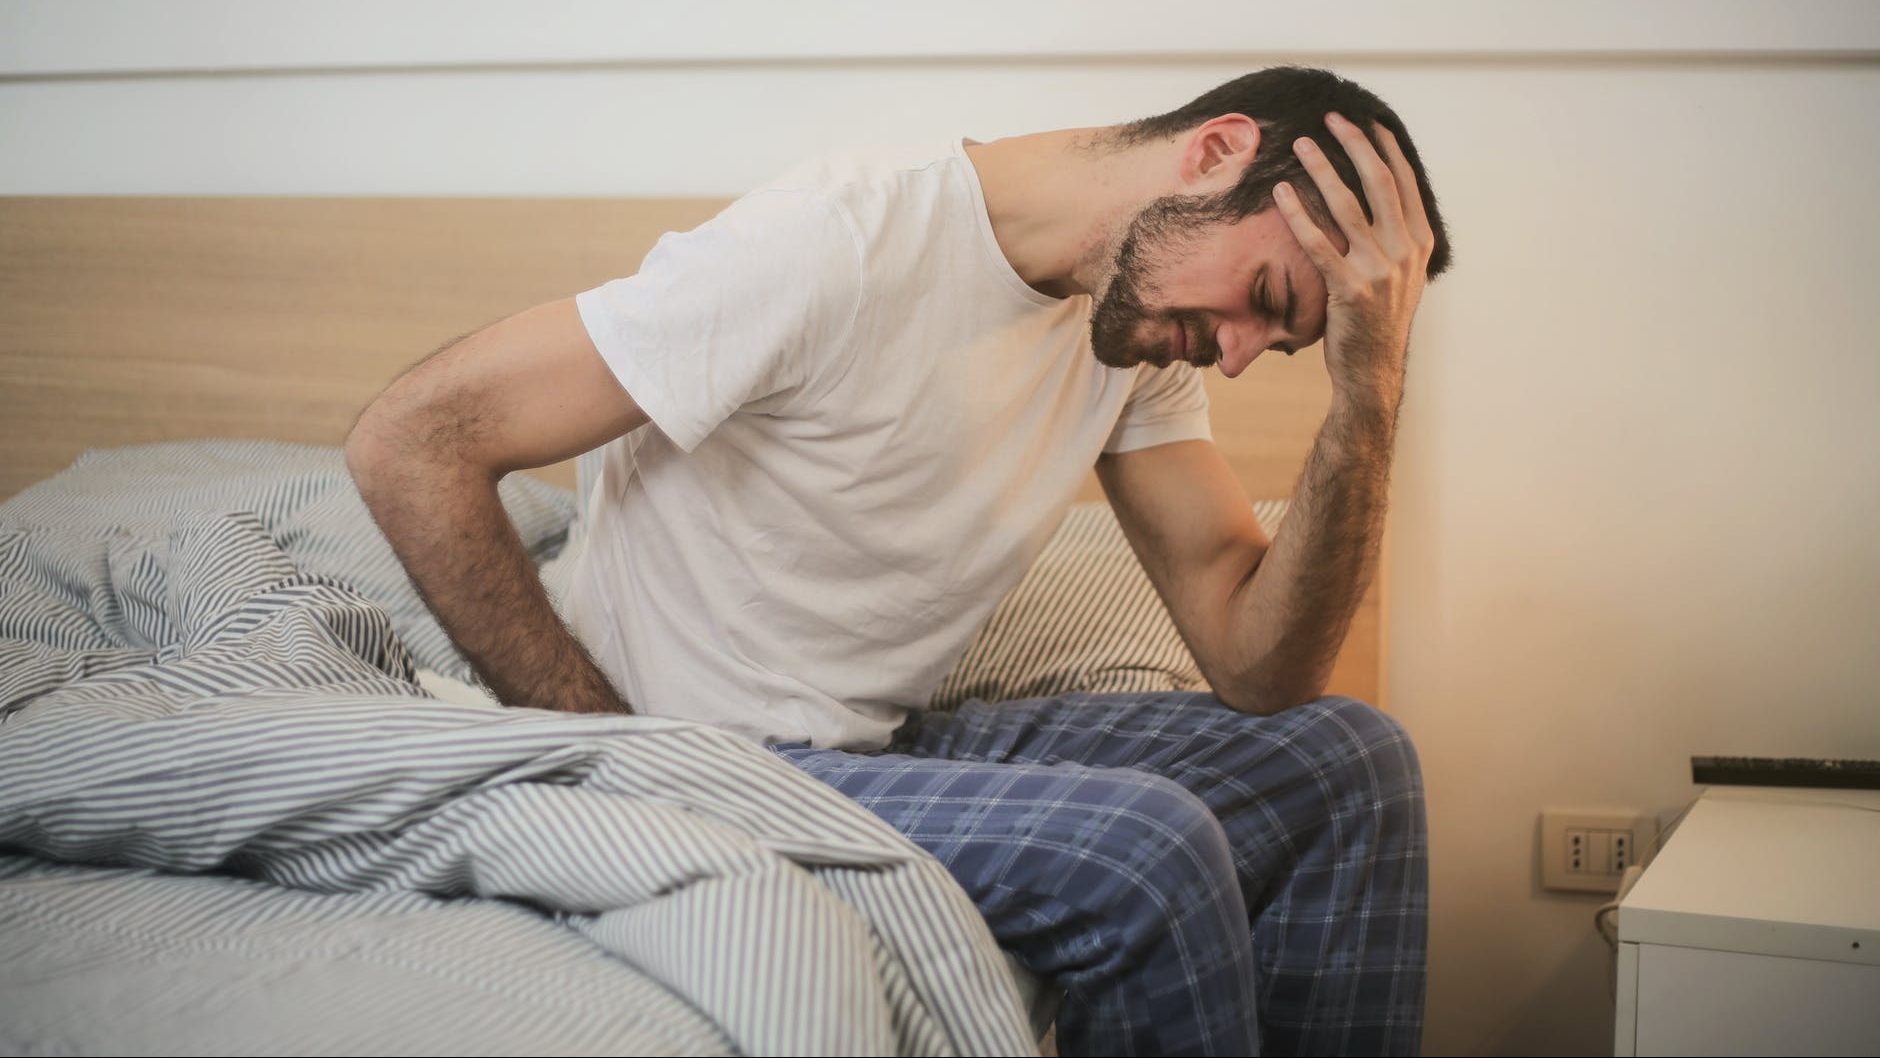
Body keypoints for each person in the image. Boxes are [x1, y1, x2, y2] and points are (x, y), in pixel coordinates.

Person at [347, 64, 1452, 1057]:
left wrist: (1368, 387)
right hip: (702, 752)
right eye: (1264, 301)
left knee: (1346, 763)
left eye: (1286, 341)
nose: (1243, 353)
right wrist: (615, 755)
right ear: (1214, 152)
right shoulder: (834, 243)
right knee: (1143, 854)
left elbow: (1258, 667)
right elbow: (413, 439)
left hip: (869, 742)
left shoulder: (1135, 330)